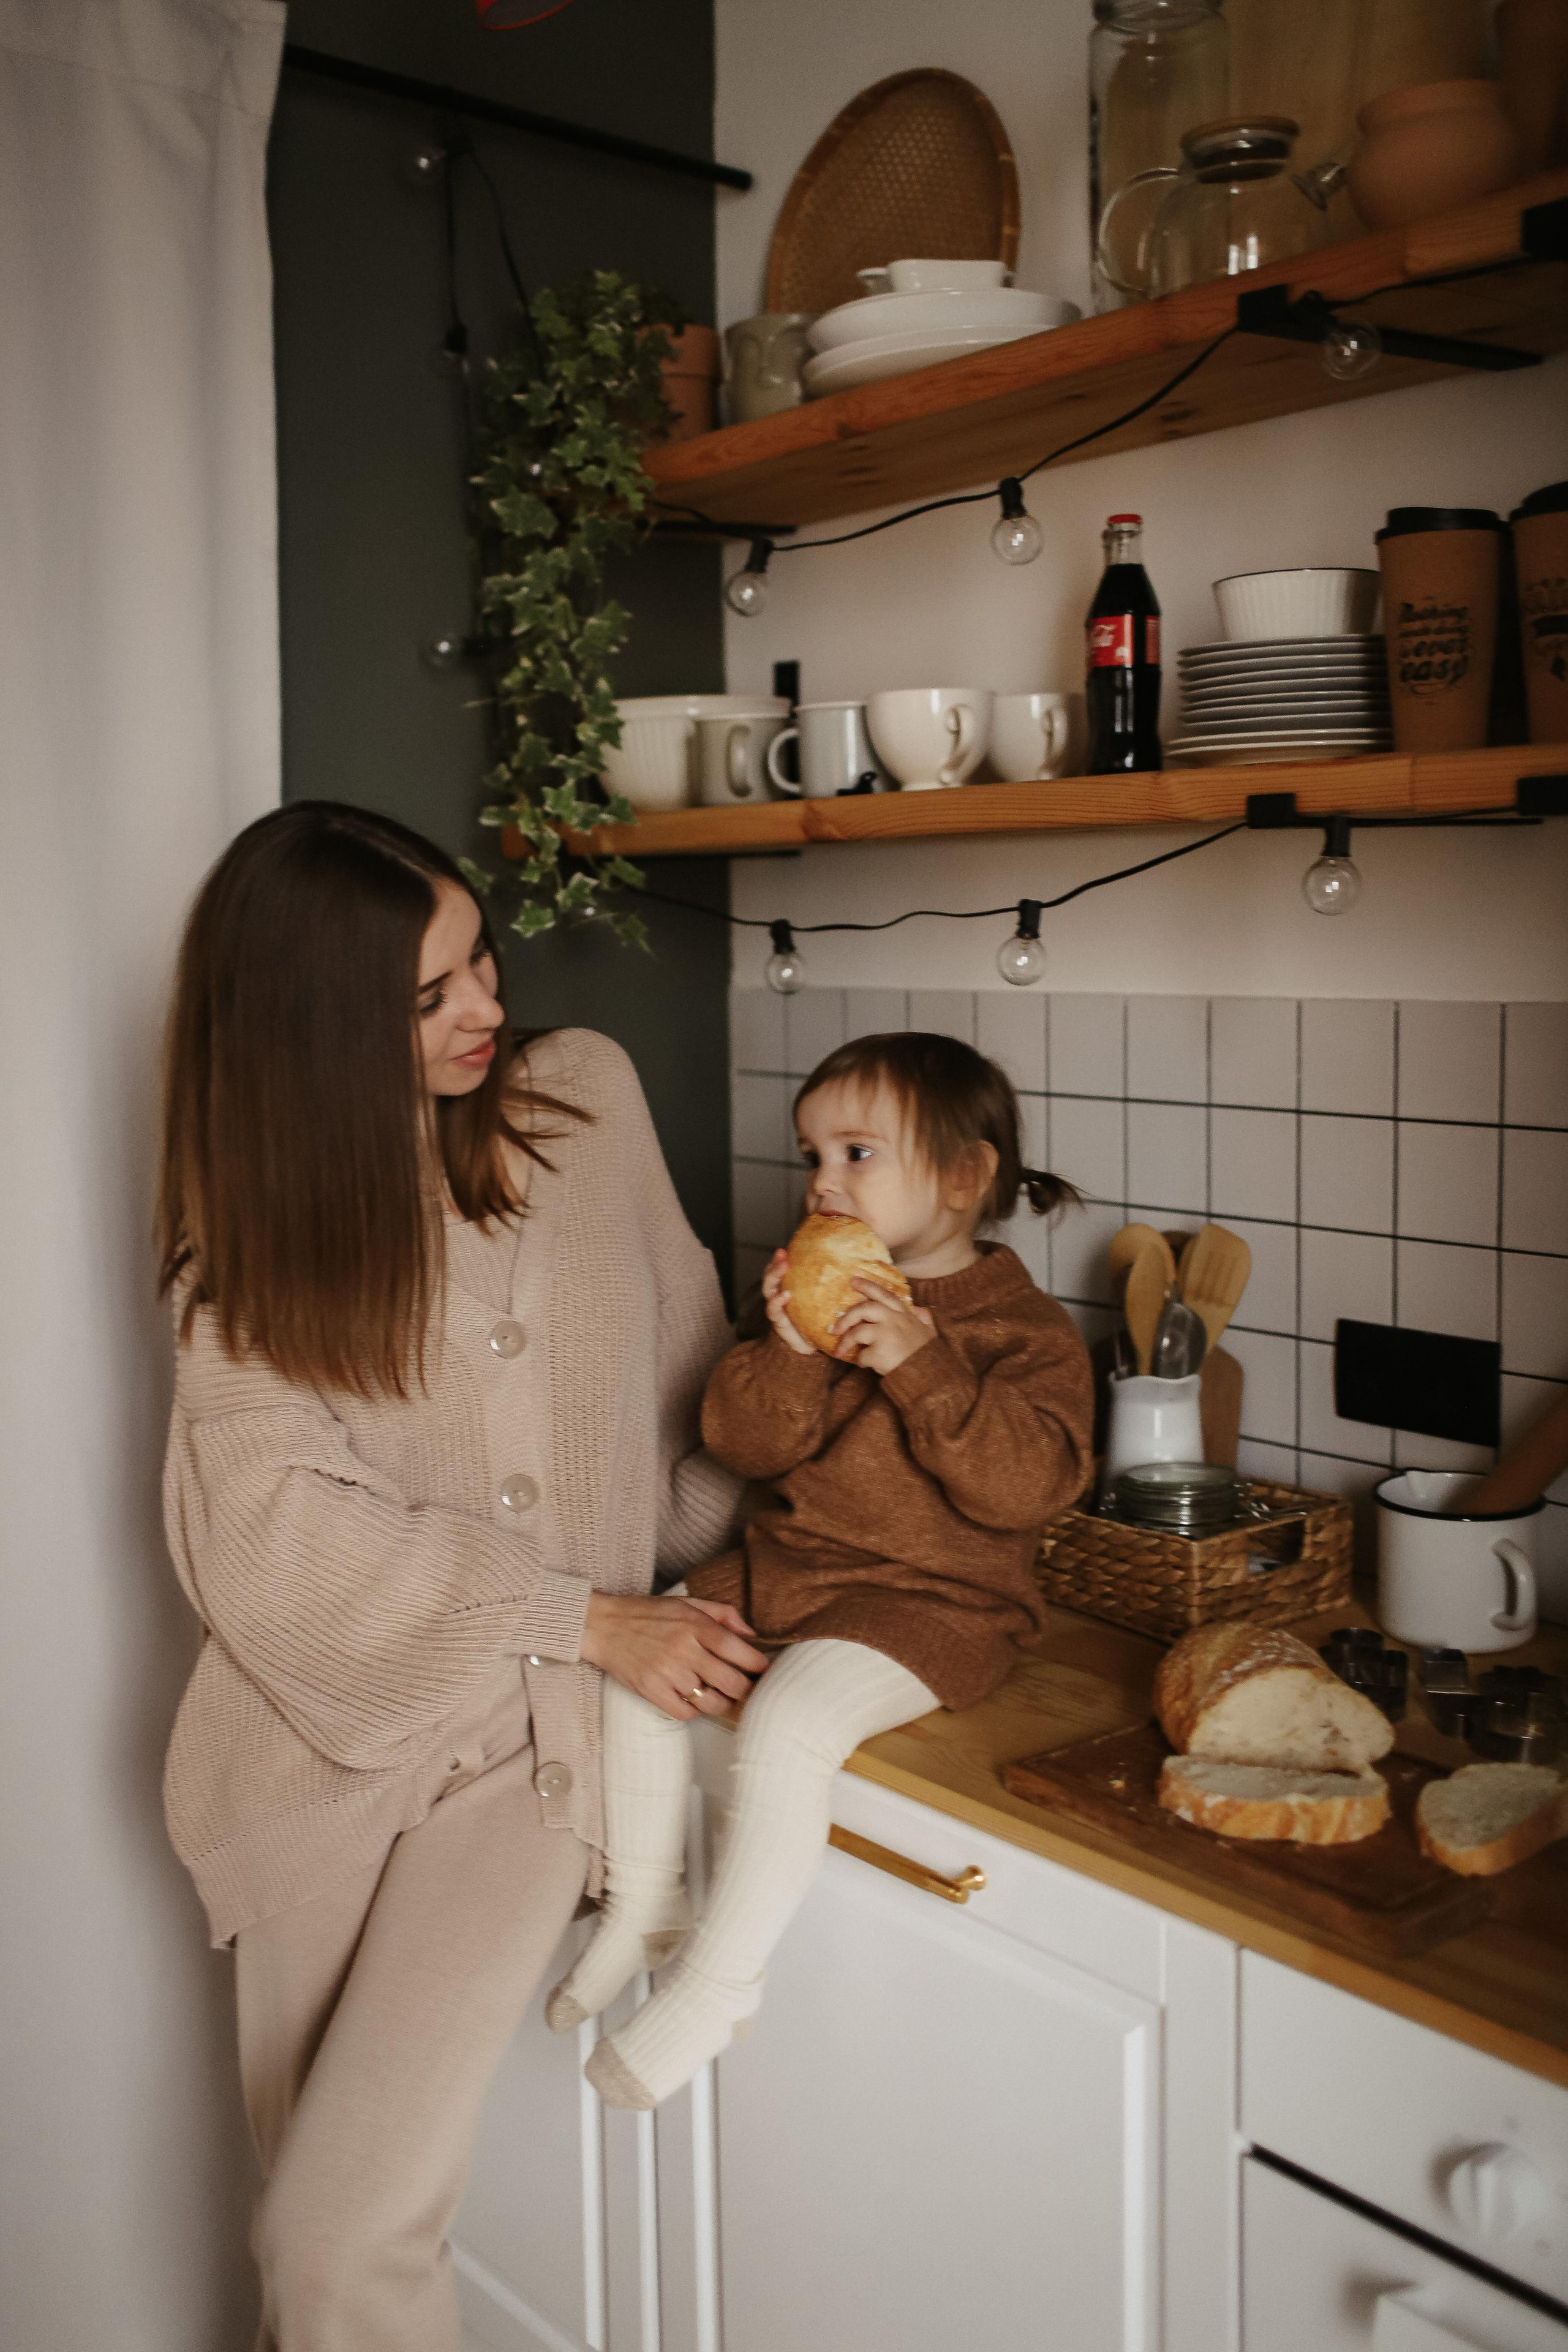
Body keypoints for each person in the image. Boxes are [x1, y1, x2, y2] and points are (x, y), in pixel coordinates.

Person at [154, 801, 766, 2351]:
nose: (484, 1007)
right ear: (313, 1029)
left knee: (333, 2240)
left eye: (479, 958)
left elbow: (686, 1401)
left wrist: (784, 1487)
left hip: (525, 1746)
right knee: (315, 2263)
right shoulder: (246, 1248)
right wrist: (580, 1611)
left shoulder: (583, 1101)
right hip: (305, 1765)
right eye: (426, 996)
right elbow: (271, 1534)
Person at [548, 1030, 1096, 2109]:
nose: (822, 1183)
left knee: (791, 1723)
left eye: (856, 1154)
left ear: (963, 1177)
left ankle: (718, 1985)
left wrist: (923, 1365)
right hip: (791, 1570)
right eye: (813, 1156)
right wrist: (791, 1351)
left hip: (935, 1606)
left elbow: (1027, 1490)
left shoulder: (1022, 1333)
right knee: (648, 1657)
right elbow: (744, 1447)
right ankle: (643, 1905)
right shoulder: (818, 1294)